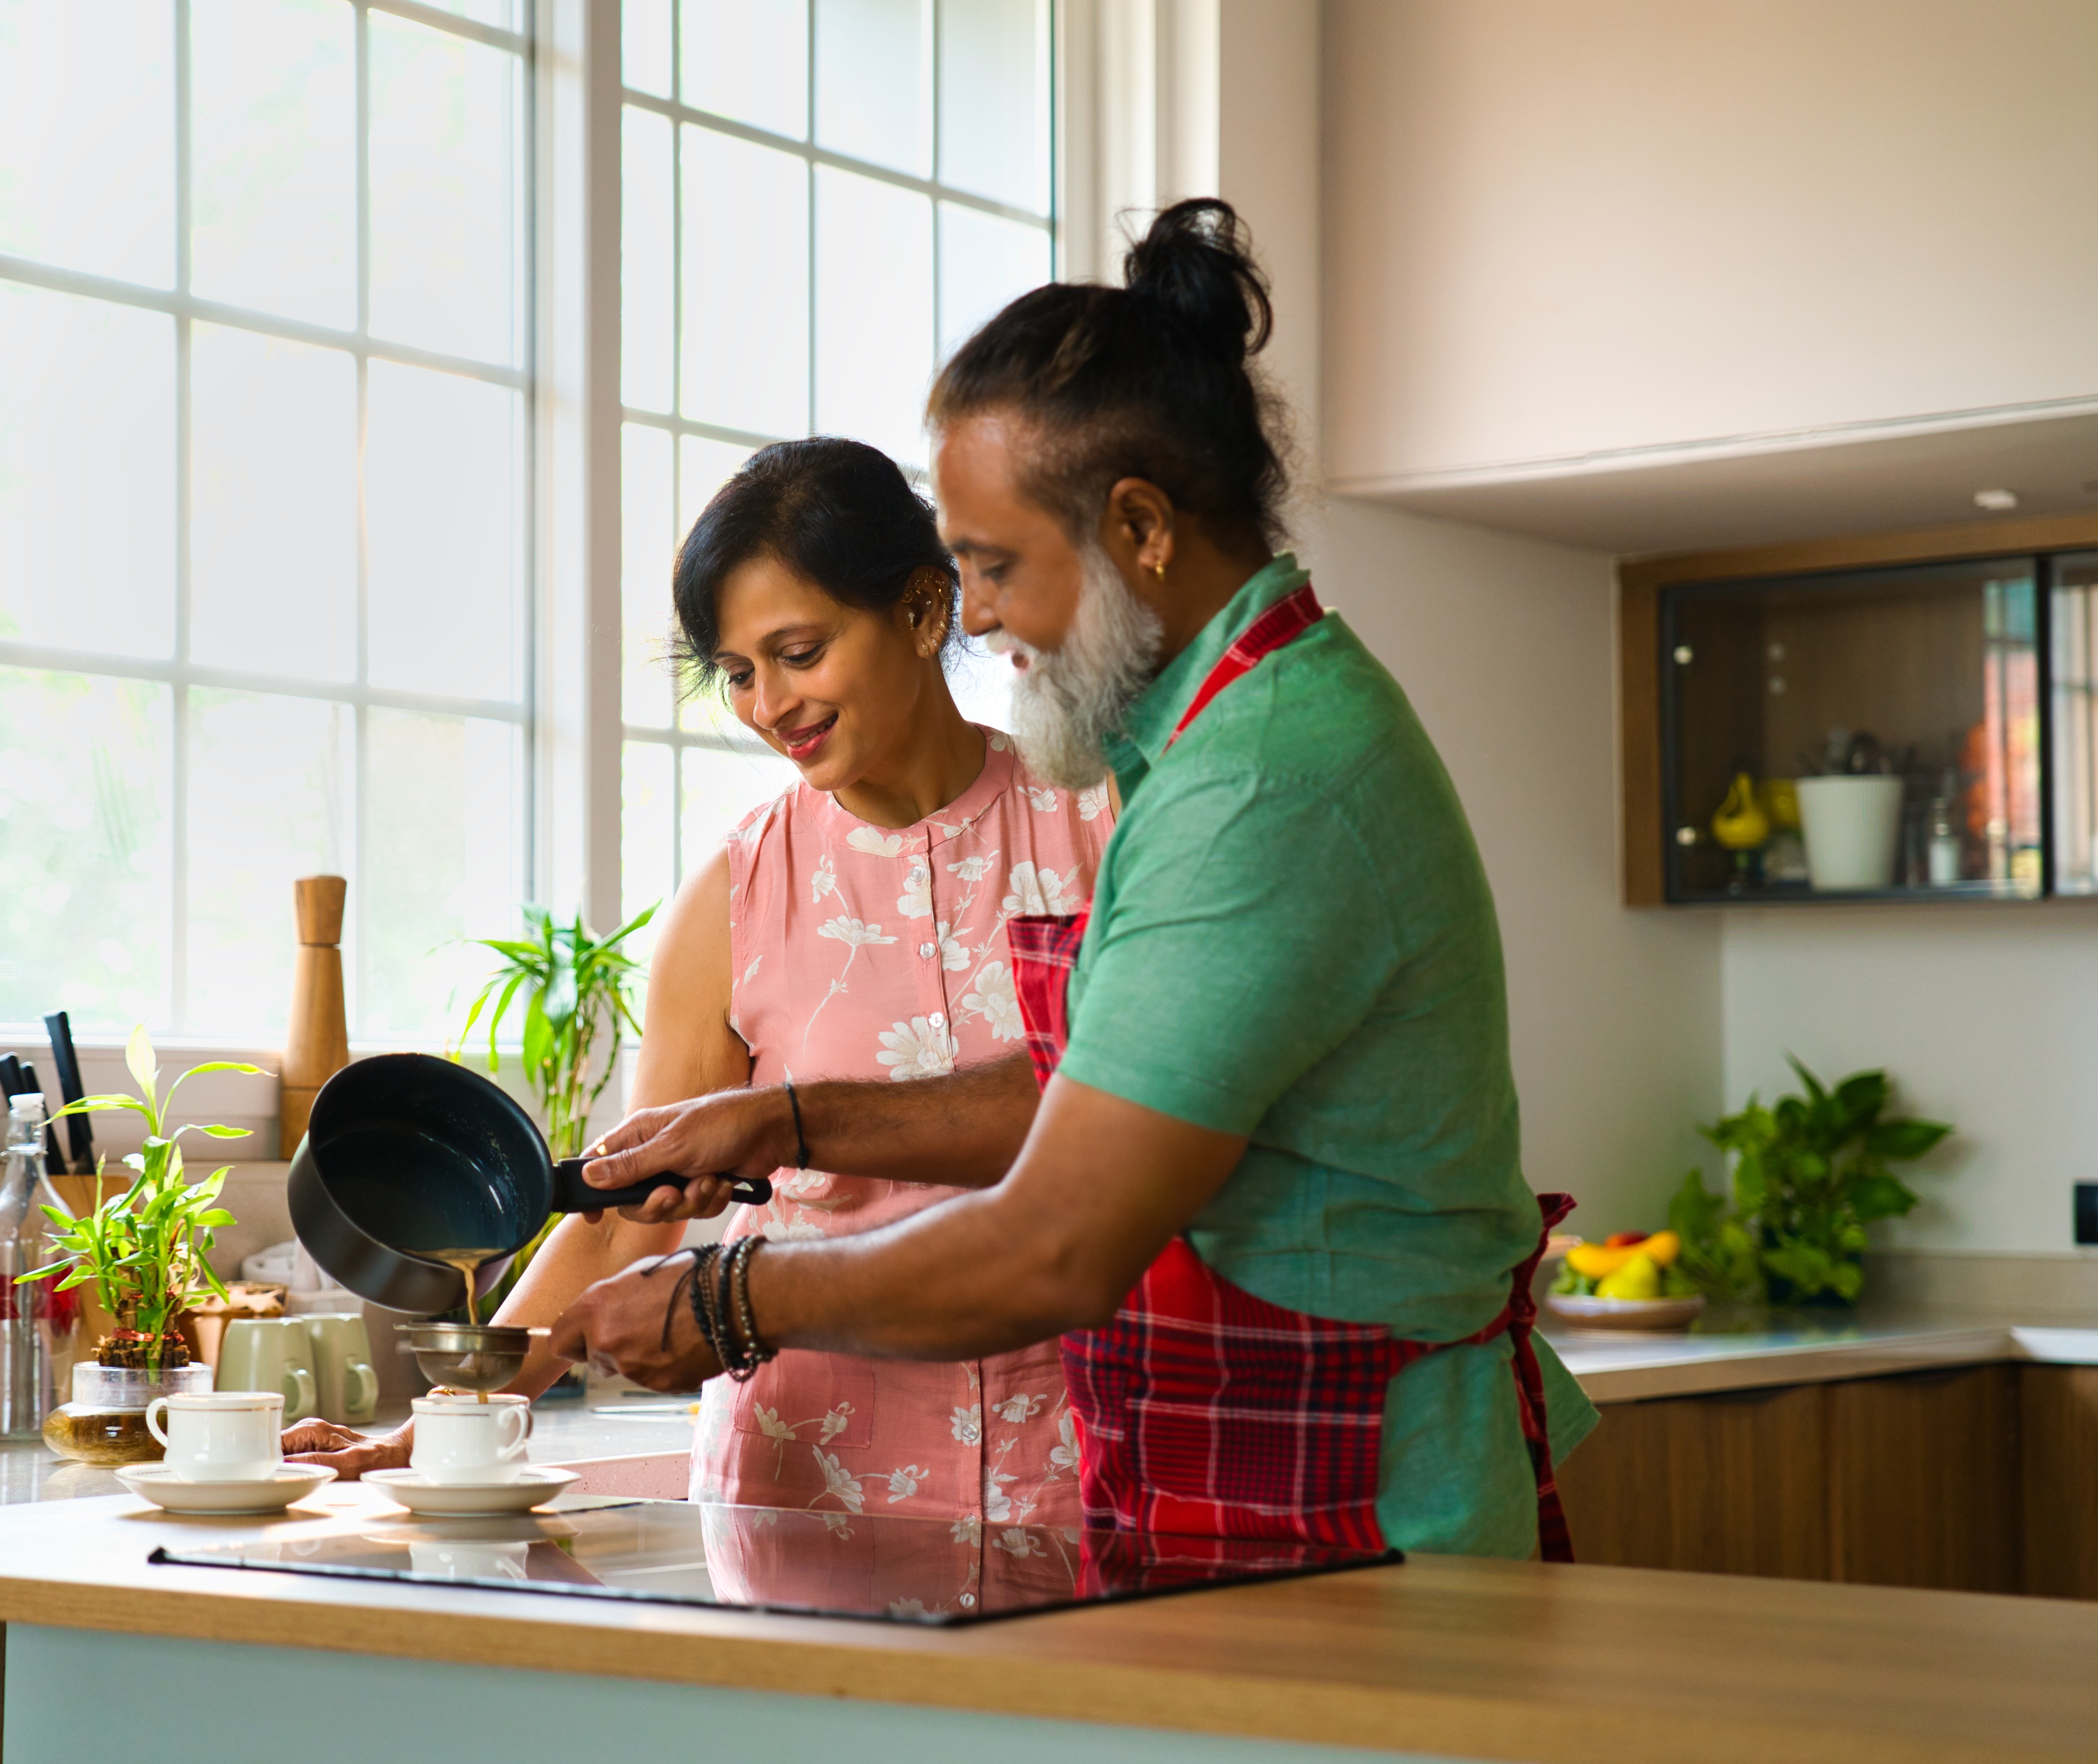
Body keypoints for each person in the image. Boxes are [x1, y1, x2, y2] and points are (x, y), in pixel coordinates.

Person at [552, 200, 1598, 1559]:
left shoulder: (1260, 782)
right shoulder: (1217, 743)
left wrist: (738, 1298)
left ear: (1142, 528)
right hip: (1254, 1482)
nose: (977, 614)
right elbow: (1095, 1092)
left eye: (993, 567)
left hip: (1353, 1502)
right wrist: (783, 1123)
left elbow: (1060, 1238)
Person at [285, 437, 1114, 1528]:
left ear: (922, 611)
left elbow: (1115, 1126)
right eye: (736, 671)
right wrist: (438, 1423)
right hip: (804, 1480)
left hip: (1071, 1465)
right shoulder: (735, 893)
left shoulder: (1093, 822)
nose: (769, 702)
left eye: (799, 651)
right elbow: (625, 1210)